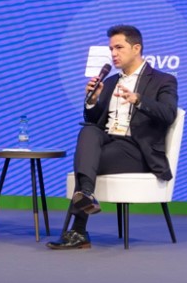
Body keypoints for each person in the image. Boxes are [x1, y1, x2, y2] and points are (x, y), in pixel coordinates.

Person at [47, 25, 178, 250]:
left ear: (136, 48)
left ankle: (78, 229)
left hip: (138, 150)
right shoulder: (109, 82)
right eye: (111, 49)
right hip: (109, 143)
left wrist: (138, 100)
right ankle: (86, 194)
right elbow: (95, 121)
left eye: (119, 48)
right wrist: (92, 101)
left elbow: (168, 114)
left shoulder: (162, 80)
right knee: (88, 131)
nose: (114, 54)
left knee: (86, 161)